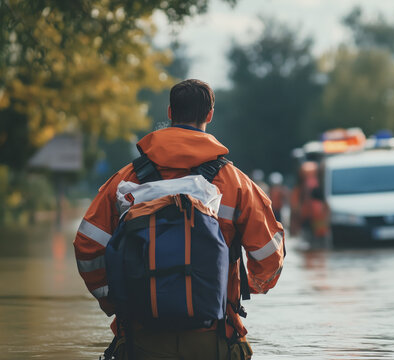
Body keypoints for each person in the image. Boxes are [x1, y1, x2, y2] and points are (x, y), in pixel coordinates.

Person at [74, 79, 285, 360]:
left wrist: (114, 300)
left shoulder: (126, 179)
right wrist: (249, 288)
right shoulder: (235, 183)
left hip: (141, 337)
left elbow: (87, 246)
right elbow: (269, 255)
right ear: (209, 115)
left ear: (170, 112)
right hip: (214, 336)